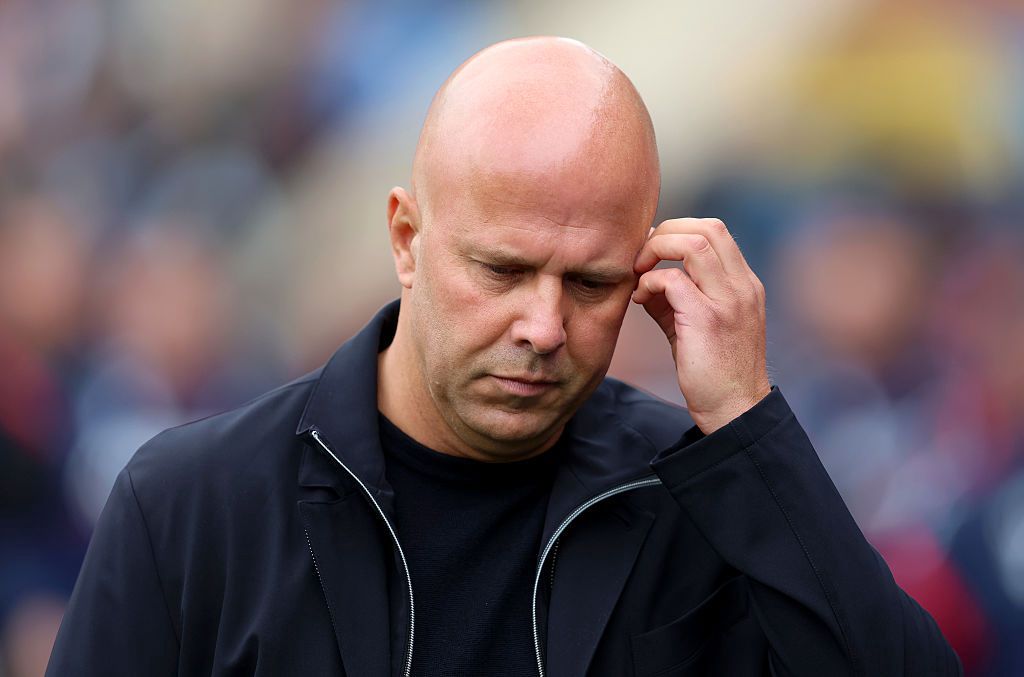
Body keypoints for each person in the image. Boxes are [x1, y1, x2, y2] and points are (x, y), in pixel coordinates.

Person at [46, 37, 959, 676]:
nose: (545, 325)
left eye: (591, 283)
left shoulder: (701, 498)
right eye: (503, 270)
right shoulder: (192, 505)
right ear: (406, 238)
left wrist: (748, 425)